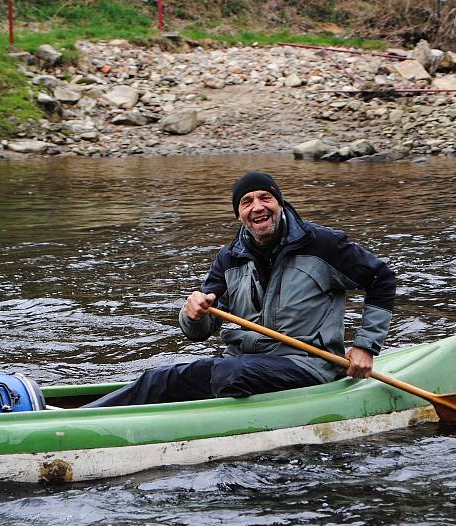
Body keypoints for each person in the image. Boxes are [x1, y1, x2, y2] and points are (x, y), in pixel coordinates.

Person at [83, 171, 396, 408]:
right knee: (158, 379)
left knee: (232, 374)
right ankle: (74, 418)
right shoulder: (229, 257)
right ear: (239, 214)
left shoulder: (323, 245)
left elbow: (381, 280)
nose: (257, 207)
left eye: (265, 198)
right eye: (247, 202)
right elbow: (200, 331)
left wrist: (366, 346)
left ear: (280, 204)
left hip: (307, 366)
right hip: (239, 365)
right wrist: (193, 314)